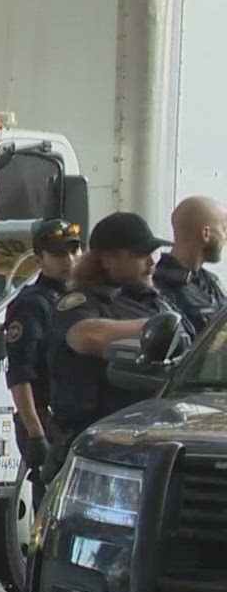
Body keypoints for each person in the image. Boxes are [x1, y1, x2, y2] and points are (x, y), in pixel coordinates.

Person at [45, 212, 189, 466]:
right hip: (98, 445)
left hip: (155, 439)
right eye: (140, 255)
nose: (151, 263)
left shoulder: (157, 301)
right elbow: (86, 335)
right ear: (109, 260)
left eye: (152, 254)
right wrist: (158, 327)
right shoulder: (81, 303)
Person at [4, 218, 79, 478]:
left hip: (74, 420)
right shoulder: (31, 305)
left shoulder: (83, 299)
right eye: (59, 253)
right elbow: (20, 374)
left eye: (73, 250)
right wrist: (35, 434)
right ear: (40, 259)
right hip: (47, 421)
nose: (69, 259)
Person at [153, 196, 227, 334]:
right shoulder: (159, 288)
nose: (225, 237)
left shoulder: (209, 281)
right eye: (224, 229)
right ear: (206, 234)